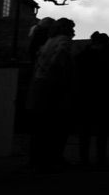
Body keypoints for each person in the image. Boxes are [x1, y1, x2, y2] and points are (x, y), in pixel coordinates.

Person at [28, 18, 76, 170]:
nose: (74, 32)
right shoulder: (64, 41)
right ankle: (53, 157)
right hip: (54, 87)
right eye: (72, 28)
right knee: (57, 124)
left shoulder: (49, 41)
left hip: (40, 84)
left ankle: (39, 158)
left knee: (42, 125)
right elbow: (60, 59)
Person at [75, 31, 109, 167]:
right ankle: (101, 159)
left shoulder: (82, 56)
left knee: (85, 132)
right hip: (101, 97)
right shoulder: (106, 57)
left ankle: (84, 159)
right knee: (101, 132)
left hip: (85, 97)